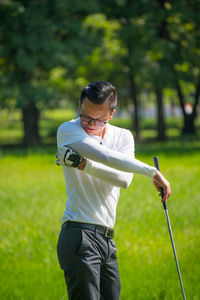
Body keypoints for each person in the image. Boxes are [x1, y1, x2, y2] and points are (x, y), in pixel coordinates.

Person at [56, 81, 171, 300]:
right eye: (85, 116)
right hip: (79, 233)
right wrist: (152, 172)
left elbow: (123, 179)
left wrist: (83, 165)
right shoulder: (68, 130)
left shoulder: (123, 137)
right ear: (79, 106)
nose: (89, 124)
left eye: (97, 119)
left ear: (111, 114)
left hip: (108, 239)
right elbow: (106, 157)